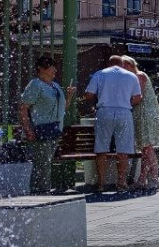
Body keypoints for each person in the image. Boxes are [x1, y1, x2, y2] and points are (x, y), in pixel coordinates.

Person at [81, 55, 142, 192]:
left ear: (108, 63)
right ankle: (121, 183)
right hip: (124, 112)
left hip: (104, 112)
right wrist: (126, 103)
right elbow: (137, 98)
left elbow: (89, 94)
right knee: (123, 150)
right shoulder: (131, 76)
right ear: (122, 64)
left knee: (101, 149)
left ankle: (101, 184)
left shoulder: (100, 74)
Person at [19, 55, 73, 194]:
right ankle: (41, 191)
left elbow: (62, 109)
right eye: (51, 66)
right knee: (42, 163)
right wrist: (28, 130)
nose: (55, 69)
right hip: (41, 129)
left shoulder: (55, 86)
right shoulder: (36, 84)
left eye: (54, 66)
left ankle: (40, 190)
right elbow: (24, 108)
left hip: (54, 129)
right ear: (41, 69)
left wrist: (69, 97)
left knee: (45, 162)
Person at [121, 56, 159, 191]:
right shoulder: (137, 76)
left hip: (146, 116)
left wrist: (122, 105)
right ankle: (143, 179)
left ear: (128, 66)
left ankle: (154, 179)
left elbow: (137, 97)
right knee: (146, 149)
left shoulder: (138, 76)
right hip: (143, 115)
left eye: (122, 67)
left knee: (147, 148)